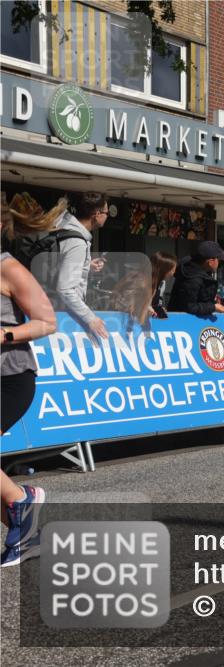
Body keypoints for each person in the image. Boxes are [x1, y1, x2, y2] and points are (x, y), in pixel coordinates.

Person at [1, 200, 58, 566]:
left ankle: (24, 499)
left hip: (10, 377)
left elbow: (47, 322)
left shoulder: (9, 268)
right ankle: (25, 533)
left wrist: (5, 335)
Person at [25, 192, 110, 339]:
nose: (107, 216)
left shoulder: (65, 229)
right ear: (97, 214)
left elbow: (57, 265)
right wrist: (90, 318)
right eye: (107, 213)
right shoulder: (77, 242)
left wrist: (85, 266)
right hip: (61, 317)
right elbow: (65, 289)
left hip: (48, 311)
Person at [110, 251, 178, 324]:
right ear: (164, 269)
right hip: (118, 322)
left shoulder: (156, 283)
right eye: (172, 270)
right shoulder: (140, 281)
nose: (173, 273)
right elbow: (122, 304)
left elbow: (149, 305)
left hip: (133, 323)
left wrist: (155, 310)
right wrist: (145, 308)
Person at [167, 241, 224, 316]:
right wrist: (213, 307)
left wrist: (214, 304)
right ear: (211, 262)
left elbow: (200, 299)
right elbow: (189, 306)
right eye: (218, 260)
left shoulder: (202, 272)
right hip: (182, 323)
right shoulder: (193, 279)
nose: (219, 263)